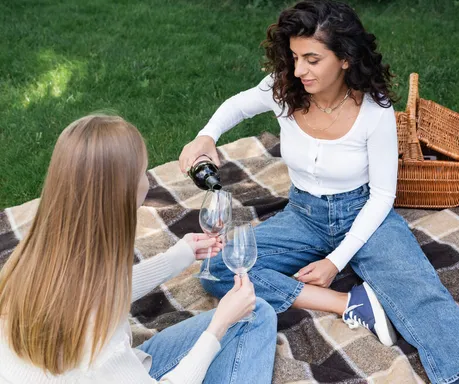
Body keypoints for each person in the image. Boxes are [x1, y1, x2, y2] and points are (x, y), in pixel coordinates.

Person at [179, 0, 459, 384]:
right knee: (219, 270)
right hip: (303, 216)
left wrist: (336, 262)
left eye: (312, 59)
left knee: (422, 298)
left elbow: (384, 195)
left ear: (345, 59)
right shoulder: (285, 89)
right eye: (294, 56)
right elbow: (239, 105)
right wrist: (206, 135)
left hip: (366, 214)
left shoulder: (375, 111)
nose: (299, 69)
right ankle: (351, 303)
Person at [0, 115, 277, 383]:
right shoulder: (98, 339)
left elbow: (101, 291)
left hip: (116, 372)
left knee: (257, 313)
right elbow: (99, 313)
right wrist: (219, 326)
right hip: (112, 370)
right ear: (122, 192)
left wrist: (177, 257)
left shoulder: (35, 260)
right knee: (244, 319)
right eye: (143, 173)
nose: (149, 180)